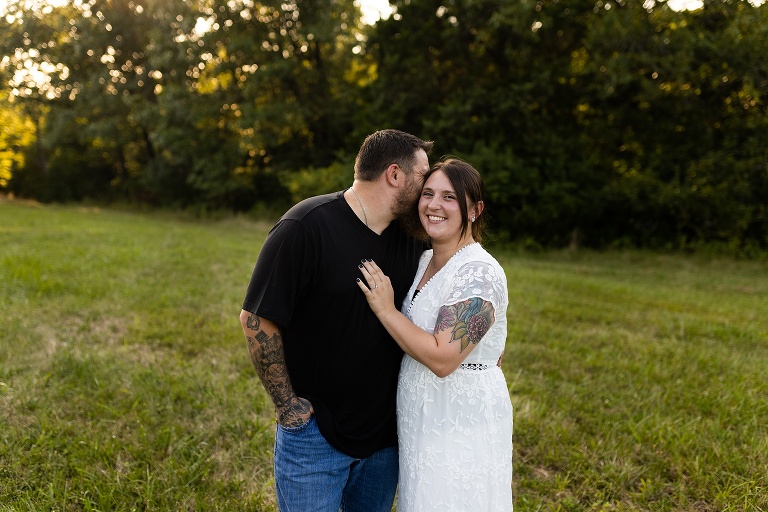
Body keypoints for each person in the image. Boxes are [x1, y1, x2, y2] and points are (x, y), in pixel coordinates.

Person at [239, 129, 433, 512]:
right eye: (424, 175)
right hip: (315, 438)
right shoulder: (306, 226)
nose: (429, 187)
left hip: (386, 440)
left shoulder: (414, 238)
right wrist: (289, 408)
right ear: (395, 175)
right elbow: (256, 320)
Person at [357, 158, 513, 511]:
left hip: (460, 416)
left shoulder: (479, 272)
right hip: (422, 418)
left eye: (449, 197)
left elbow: (443, 359)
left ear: (475, 209)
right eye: (427, 194)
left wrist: (385, 309)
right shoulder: (424, 259)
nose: (433, 205)